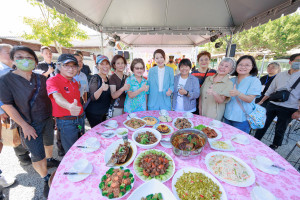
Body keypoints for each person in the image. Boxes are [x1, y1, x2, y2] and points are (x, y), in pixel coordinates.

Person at [0, 46, 60, 197]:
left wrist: (54, 117)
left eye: (29, 58)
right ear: (13, 60)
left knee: (48, 144)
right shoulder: (6, 80)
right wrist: (24, 126)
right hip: (29, 124)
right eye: (20, 57)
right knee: (37, 154)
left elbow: (48, 99)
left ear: (34, 60)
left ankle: (49, 160)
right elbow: (7, 106)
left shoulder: (40, 77)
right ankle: (45, 177)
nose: (25, 60)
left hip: (47, 118)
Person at [255, 54, 300, 150]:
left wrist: (298, 112)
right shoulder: (280, 75)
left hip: (290, 107)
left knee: (280, 129)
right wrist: (261, 102)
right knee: (263, 123)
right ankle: (255, 140)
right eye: (297, 60)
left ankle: (274, 147)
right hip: (273, 104)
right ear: (290, 62)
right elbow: (270, 90)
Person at [0, 44, 31, 166]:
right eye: (8, 52)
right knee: (16, 131)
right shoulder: (2, 71)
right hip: (9, 109)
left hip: (21, 106)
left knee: (22, 129)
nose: (12, 54)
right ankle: (22, 156)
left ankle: (25, 153)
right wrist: (1, 111)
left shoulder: (14, 69)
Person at [47, 54, 85, 153]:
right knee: (71, 150)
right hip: (67, 123)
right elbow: (57, 96)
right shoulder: (53, 80)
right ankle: (72, 167)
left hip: (80, 120)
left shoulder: (75, 82)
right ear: (59, 66)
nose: (71, 69)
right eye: (67, 65)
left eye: (73, 66)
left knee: (81, 143)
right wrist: (69, 106)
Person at [224, 55, 261, 134]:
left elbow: (250, 99)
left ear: (252, 67)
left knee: (238, 143)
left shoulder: (255, 81)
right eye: (240, 64)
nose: (243, 67)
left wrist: (238, 93)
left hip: (242, 120)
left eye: (247, 65)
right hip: (227, 116)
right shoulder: (231, 80)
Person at [85, 55, 111, 127]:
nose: (105, 66)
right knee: (97, 134)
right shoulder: (95, 78)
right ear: (97, 66)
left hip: (103, 112)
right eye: (102, 64)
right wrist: (101, 89)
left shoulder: (107, 78)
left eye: (107, 63)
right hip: (94, 113)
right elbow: (92, 97)